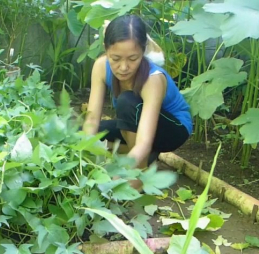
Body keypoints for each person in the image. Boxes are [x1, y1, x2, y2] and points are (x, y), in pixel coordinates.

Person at [82, 14, 193, 175]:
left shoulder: (153, 79)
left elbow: (144, 141)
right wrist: (82, 156)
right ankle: (140, 156)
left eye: (133, 58)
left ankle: (140, 170)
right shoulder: (100, 66)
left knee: (126, 100)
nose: (124, 67)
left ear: (143, 50)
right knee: (81, 134)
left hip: (172, 129)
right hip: (135, 122)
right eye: (116, 58)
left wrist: (124, 173)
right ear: (106, 49)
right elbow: (91, 120)